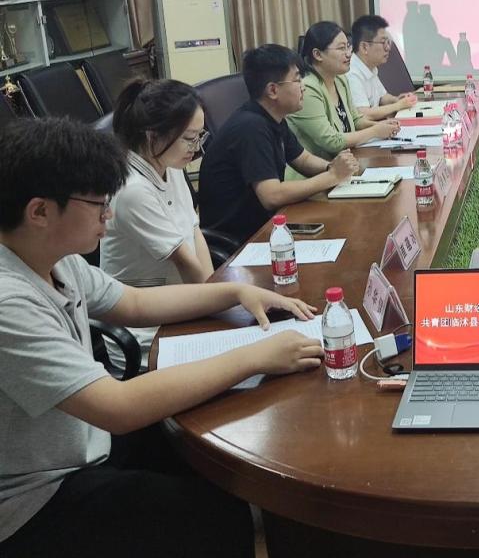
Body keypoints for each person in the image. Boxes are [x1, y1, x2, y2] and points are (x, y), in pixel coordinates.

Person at [0, 117, 324, 557]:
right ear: (39, 212)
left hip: (84, 442)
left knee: (220, 462)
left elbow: (134, 303)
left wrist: (233, 292)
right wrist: (255, 355)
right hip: (35, 497)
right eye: (97, 204)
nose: (109, 215)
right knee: (214, 515)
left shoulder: (54, 257)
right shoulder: (9, 302)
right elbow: (117, 407)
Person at [100, 79, 215, 371]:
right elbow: (185, 261)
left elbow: (193, 231)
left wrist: (215, 290)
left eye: (199, 136)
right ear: (153, 136)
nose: (196, 148)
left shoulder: (169, 164)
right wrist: (217, 301)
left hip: (181, 305)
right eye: (189, 138)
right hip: (147, 332)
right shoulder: (132, 190)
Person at [199, 44, 360, 245]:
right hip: (240, 240)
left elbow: (303, 159)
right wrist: (332, 176)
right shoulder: (251, 127)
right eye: (297, 79)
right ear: (273, 90)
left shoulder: (273, 117)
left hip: (269, 225)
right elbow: (272, 195)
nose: (303, 87)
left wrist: (334, 167)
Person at [285, 21, 401, 179]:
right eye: (341, 48)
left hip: (346, 166)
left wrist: (382, 127)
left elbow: (355, 119)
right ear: (318, 54)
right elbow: (332, 141)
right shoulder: (308, 89)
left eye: (348, 46)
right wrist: (375, 131)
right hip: (316, 176)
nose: (348, 54)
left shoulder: (340, 80)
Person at [348, 14, 418, 121]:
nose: (388, 48)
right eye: (383, 42)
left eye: (388, 42)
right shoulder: (352, 73)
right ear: (364, 47)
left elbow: (382, 97)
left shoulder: (370, 66)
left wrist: (397, 99)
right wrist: (398, 105)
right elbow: (364, 114)